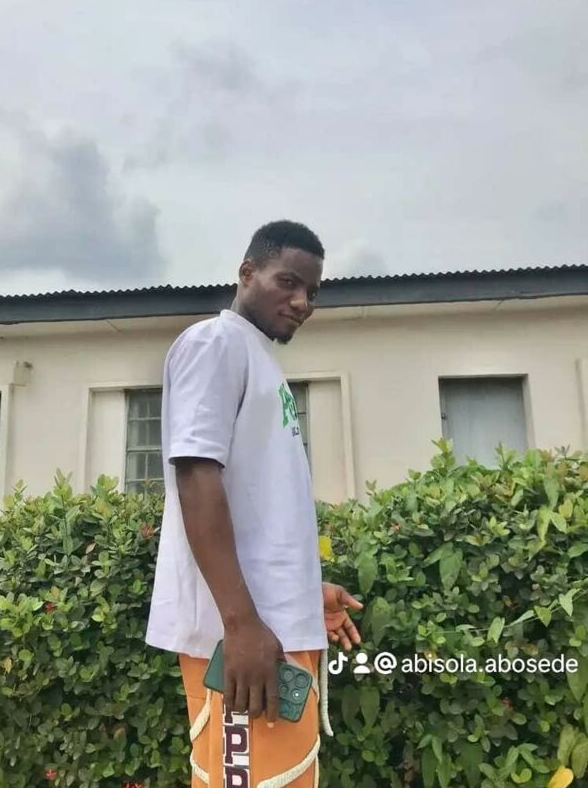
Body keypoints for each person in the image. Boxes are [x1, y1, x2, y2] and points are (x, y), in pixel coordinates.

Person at [146, 220, 363, 788]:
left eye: (312, 291)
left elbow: (259, 507)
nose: (302, 302)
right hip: (245, 642)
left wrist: (304, 591)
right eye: (288, 282)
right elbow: (196, 477)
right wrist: (240, 624)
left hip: (274, 633)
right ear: (247, 273)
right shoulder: (214, 344)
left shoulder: (261, 360)